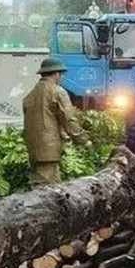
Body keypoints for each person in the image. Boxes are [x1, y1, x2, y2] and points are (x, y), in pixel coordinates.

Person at [22, 57, 90, 185]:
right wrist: (83, 140)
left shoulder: (31, 94)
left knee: (41, 185)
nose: (61, 77)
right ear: (56, 73)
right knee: (45, 192)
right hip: (49, 150)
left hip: (33, 148)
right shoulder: (58, 92)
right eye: (61, 74)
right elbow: (69, 120)